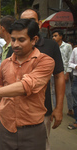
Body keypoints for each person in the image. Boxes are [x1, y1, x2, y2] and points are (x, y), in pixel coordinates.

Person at [0, 19, 55, 150]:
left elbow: (25, 86)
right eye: (13, 39)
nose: (15, 44)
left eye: (21, 40)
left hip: (33, 132)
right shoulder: (5, 64)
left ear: (34, 40)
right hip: (5, 129)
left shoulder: (45, 61)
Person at [19, 9, 65, 150]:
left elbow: (59, 76)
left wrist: (59, 108)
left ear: (39, 23)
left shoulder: (51, 46)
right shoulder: (15, 46)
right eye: (24, 21)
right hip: (18, 109)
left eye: (32, 21)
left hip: (42, 110)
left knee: (41, 145)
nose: (28, 25)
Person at [52, 29, 73, 116]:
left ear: (61, 36)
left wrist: (67, 73)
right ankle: (55, 108)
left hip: (64, 72)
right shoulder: (53, 46)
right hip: (53, 73)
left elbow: (70, 60)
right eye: (53, 36)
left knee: (68, 92)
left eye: (55, 36)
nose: (53, 37)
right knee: (54, 91)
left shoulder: (67, 46)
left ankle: (70, 109)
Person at [68, 47, 77, 129]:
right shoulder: (75, 50)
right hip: (76, 78)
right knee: (75, 101)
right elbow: (70, 63)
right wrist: (75, 66)